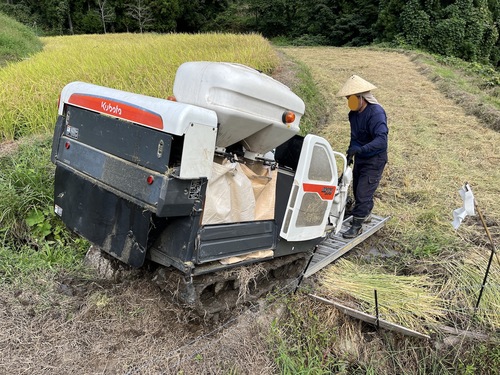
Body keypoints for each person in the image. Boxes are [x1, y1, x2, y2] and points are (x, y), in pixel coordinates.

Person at [336, 75, 388, 238]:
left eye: (351, 98)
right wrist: (351, 151)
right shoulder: (353, 114)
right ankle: (365, 213)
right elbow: (355, 136)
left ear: (361, 98)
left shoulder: (376, 113)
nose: (349, 102)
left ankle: (357, 225)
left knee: (364, 191)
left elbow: (382, 140)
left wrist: (362, 149)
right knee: (358, 188)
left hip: (375, 158)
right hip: (361, 156)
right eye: (347, 99)